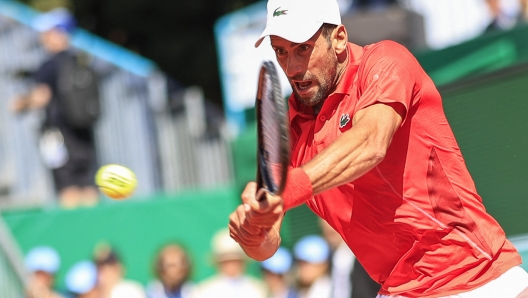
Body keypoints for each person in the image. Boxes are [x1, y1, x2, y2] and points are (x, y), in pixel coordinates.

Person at [227, 0, 528, 297]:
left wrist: (287, 189)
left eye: (303, 48)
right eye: (281, 51)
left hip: (477, 274)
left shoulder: (385, 61)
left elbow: (370, 142)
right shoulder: (287, 132)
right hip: (399, 290)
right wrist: (254, 231)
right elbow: (267, 244)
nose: (291, 67)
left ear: (339, 39)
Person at [10, 8, 99, 209]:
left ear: (58, 33)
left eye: (47, 32)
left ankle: (74, 234)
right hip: (83, 131)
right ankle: (95, 233)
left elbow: (42, 97)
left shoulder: (49, 65)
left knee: (67, 185)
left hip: (59, 133)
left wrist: (20, 103)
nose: (43, 38)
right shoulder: (80, 60)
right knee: (88, 184)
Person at [190, 228, 266, 298]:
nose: (231, 265)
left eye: (235, 261)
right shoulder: (203, 291)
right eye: (226, 262)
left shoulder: (259, 289)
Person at [319, 219, 379, 298]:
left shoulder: (363, 254)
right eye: (326, 233)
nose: (329, 239)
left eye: (332, 234)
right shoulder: (333, 256)